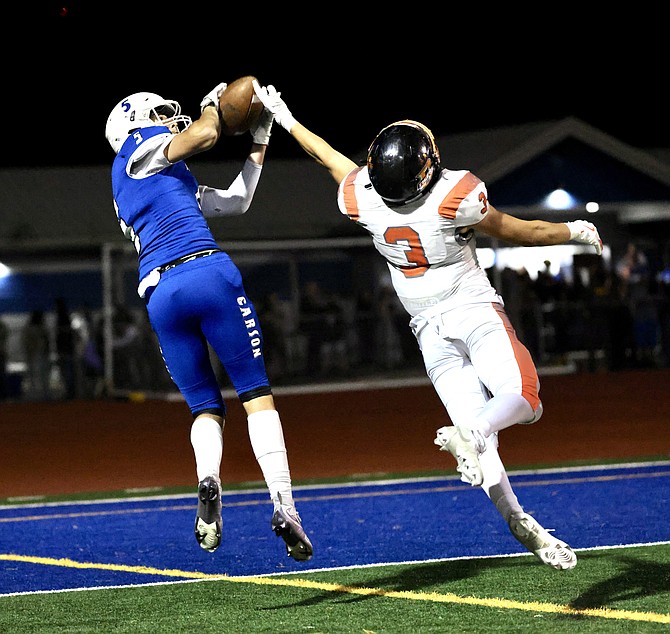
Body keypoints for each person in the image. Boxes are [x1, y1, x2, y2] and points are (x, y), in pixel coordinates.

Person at [252, 82, 605, 570]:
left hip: (427, 330)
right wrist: (575, 231)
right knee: (524, 397)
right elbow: (523, 232)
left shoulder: (361, 197)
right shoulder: (456, 194)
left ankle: (520, 521)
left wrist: (286, 119)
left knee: (484, 441)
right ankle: (477, 436)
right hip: (472, 308)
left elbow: (328, 158)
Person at [104, 84, 312, 561]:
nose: (166, 119)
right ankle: (285, 504)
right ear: (134, 124)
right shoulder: (140, 152)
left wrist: (259, 142)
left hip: (160, 294)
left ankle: (209, 482)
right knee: (256, 396)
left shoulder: (149, 179)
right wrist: (211, 107)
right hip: (206, 271)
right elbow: (204, 134)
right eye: (157, 113)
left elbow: (235, 200)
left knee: (204, 405)